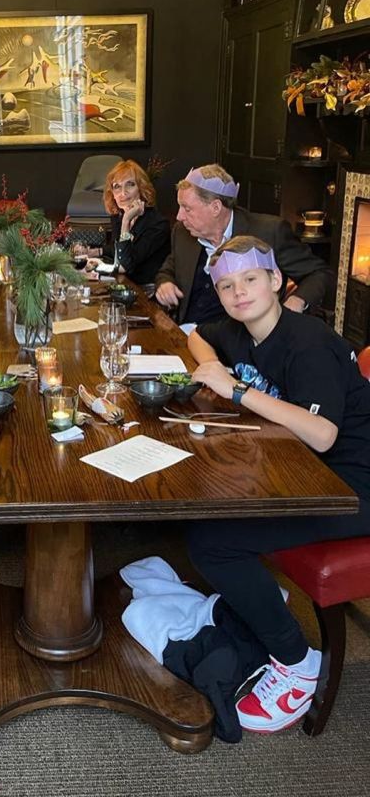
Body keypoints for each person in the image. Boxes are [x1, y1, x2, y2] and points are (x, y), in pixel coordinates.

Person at [184, 235, 370, 734]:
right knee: (200, 501)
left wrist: (238, 390)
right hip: (302, 470)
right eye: (226, 285)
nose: (238, 292)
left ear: (275, 282)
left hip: (351, 485)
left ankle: (296, 661)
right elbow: (197, 335)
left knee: (212, 541)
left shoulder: (307, 342)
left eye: (249, 280)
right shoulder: (243, 329)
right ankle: (257, 600)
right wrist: (217, 364)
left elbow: (323, 434)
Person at [154, 164, 331, 329]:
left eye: (187, 208)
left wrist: (297, 301)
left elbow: (319, 273)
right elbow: (168, 270)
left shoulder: (269, 232)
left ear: (215, 207)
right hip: (185, 335)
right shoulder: (182, 233)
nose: (179, 216)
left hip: (244, 340)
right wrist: (165, 283)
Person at [83, 159, 170, 286]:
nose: (123, 193)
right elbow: (119, 248)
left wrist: (126, 222)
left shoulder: (158, 224)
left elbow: (124, 265)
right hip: (125, 285)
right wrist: (95, 252)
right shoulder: (119, 216)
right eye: (117, 187)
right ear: (112, 193)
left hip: (147, 292)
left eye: (130, 184)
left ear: (141, 188)